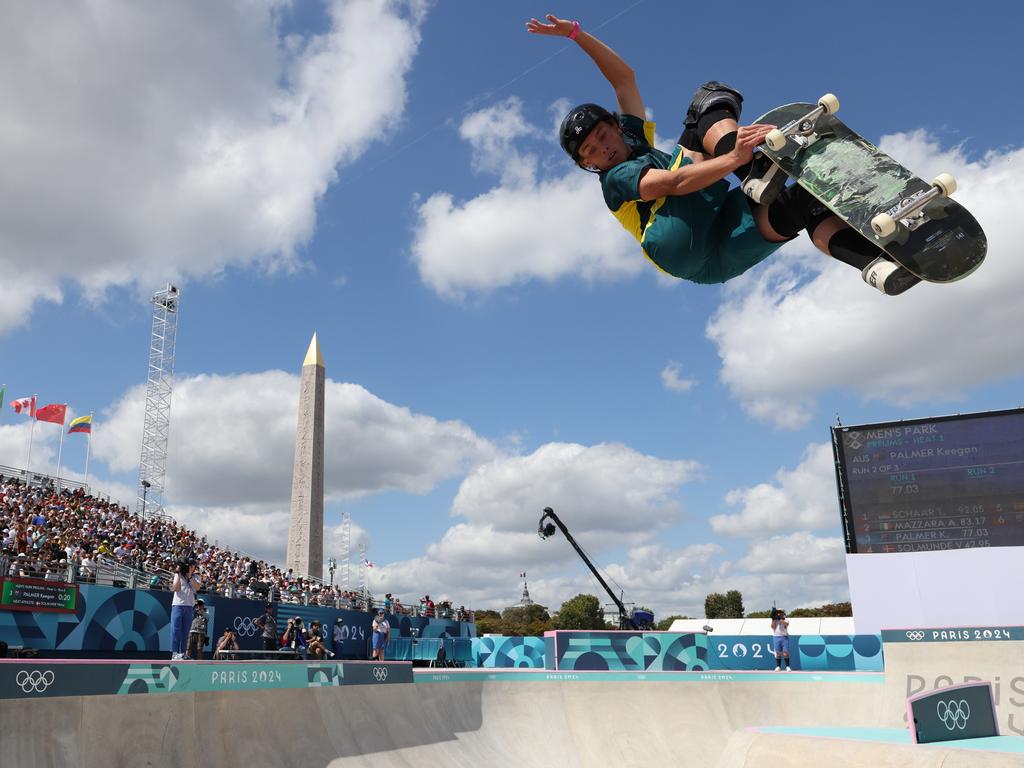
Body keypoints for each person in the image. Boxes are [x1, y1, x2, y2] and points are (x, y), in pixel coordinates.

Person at [526, 14, 920, 296]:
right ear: (588, 166)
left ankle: (876, 266)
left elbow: (623, 78)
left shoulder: (632, 136)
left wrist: (577, 34)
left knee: (800, 204)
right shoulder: (615, 180)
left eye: (601, 136)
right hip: (673, 239)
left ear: (615, 125)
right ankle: (754, 171)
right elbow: (675, 183)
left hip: (714, 258)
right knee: (703, 109)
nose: (603, 149)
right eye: (591, 153)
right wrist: (735, 158)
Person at [170, 561, 201, 660]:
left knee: (186, 632)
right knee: (176, 630)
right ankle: (174, 653)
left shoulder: (196, 577)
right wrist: (177, 574)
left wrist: (190, 577)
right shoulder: (178, 575)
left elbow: (197, 588)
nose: (191, 568)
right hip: (178, 605)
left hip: (189, 606)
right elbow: (175, 588)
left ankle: (183, 653)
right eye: (189, 566)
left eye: (192, 566)